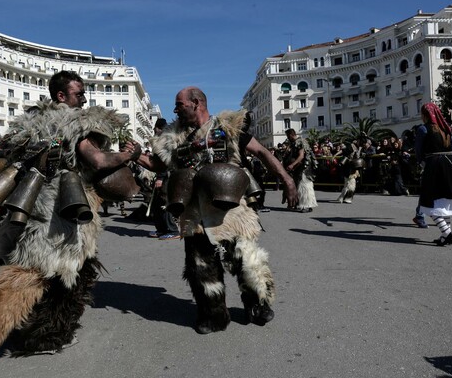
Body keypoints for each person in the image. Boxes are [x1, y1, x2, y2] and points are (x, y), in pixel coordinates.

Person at [0, 70, 140, 373]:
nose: (84, 99)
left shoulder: (31, 126)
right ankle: (40, 337)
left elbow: (5, 158)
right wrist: (125, 156)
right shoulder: (78, 123)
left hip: (25, 208)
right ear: (61, 96)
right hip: (64, 215)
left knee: (20, 272)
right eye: (79, 93)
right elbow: (97, 161)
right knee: (51, 275)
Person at [132, 86, 297, 334]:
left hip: (232, 210)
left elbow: (261, 152)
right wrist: (135, 155)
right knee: (201, 268)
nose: (175, 110)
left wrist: (287, 180)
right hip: (194, 212)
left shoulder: (227, 127)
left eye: (179, 105)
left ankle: (258, 306)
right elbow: (156, 164)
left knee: (247, 261)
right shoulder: (171, 137)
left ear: (197, 103)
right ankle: (213, 315)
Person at [415, 103, 452, 245]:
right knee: (445, 201)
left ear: (425, 115)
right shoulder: (446, 128)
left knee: (428, 201)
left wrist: (423, 164)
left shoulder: (423, 129)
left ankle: (447, 233)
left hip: (433, 164)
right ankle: (444, 236)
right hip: (449, 164)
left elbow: (418, 152)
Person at [148, 118, 181, 240]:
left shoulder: (165, 139)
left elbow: (165, 161)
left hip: (167, 176)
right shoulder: (160, 139)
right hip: (161, 175)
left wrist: (161, 177)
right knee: (157, 205)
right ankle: (161, 229)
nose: (154, 131)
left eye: (155, 128)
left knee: (164, 203)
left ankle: (172, 230)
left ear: (158, 128)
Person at [283, 128, 318, 212]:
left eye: (288, 136)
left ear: (291, 135)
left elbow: (301, 156)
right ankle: (302, 204)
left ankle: (306, 205)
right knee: (300, 186)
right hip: (300, 167)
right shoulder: (295, 143)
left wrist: (292, 165)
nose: (288, 138)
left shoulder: (300, 142)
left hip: (304, 168)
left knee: (304, 186)